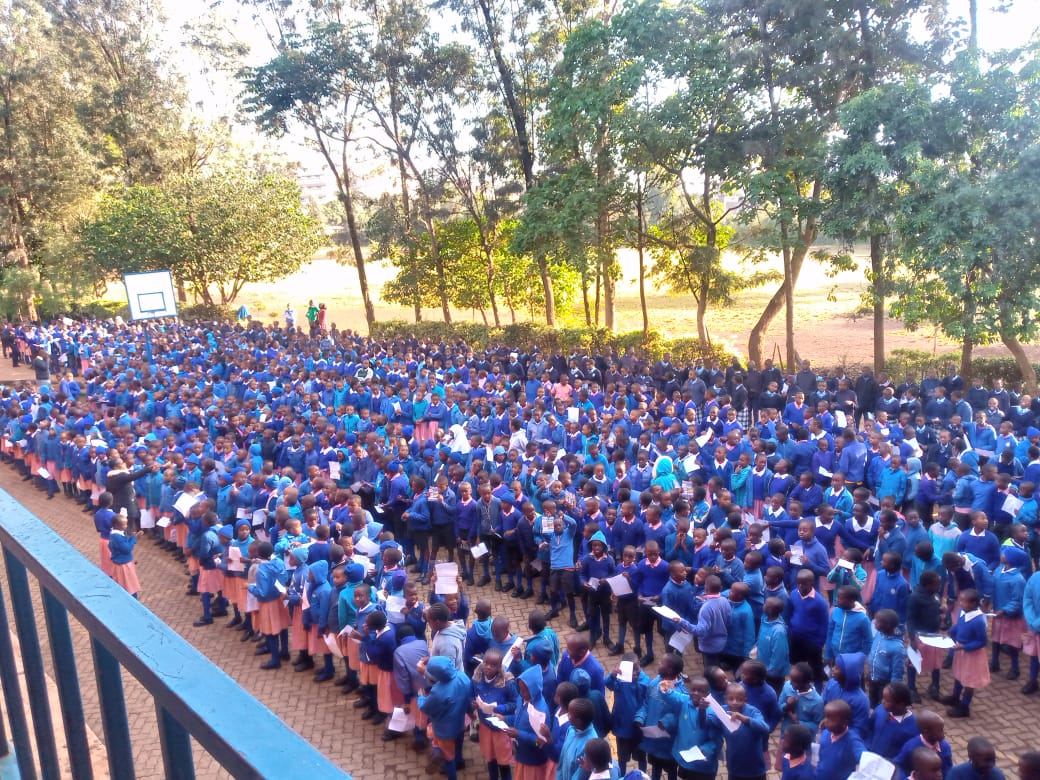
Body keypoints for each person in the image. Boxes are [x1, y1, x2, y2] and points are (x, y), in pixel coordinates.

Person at [419, 656, 471, 780]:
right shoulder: (463, 677)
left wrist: (421, 697)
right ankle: (459, 761)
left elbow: (425, 708)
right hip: (461, 721)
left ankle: (449, 771)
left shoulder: (437, 692)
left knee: (448, 758)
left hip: (445, 729)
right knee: (458, 744)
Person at [942, 587, 990, 718]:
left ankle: (964, 707)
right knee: (959, 674)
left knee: (969, 681)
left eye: (963, 601)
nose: (960, 603)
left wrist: (965, 646)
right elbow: (959, 625)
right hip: (961, 652)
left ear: (973, 604)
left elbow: (982, 641)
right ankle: (955, 697)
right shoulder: (964, 612)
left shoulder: (978, 620)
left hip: (972, 655)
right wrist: (951, 631)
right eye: (960, 600)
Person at [816, 699, 865, 779]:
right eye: (825, 717)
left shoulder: (853, 741)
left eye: (831, 719)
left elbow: (865, 758)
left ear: (844, 723)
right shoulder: (825, 733)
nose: (825, 721)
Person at [108, 513, 142, 598]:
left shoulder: (116, 534)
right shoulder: (116, 537)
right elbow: (126, 549)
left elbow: (124, 543)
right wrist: (134, 539)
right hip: (123, 566)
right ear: (117, 525)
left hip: (123, 563)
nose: (126, 526)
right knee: (129, 587)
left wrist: (132, 537)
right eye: (124, 524)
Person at [94, 491, 116, 578]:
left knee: (105, 560)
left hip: (102, 539)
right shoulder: (111, 515)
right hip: (110, 540)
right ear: (110, 502)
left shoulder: (97, 513)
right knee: (112, 560)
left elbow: (98, 529)